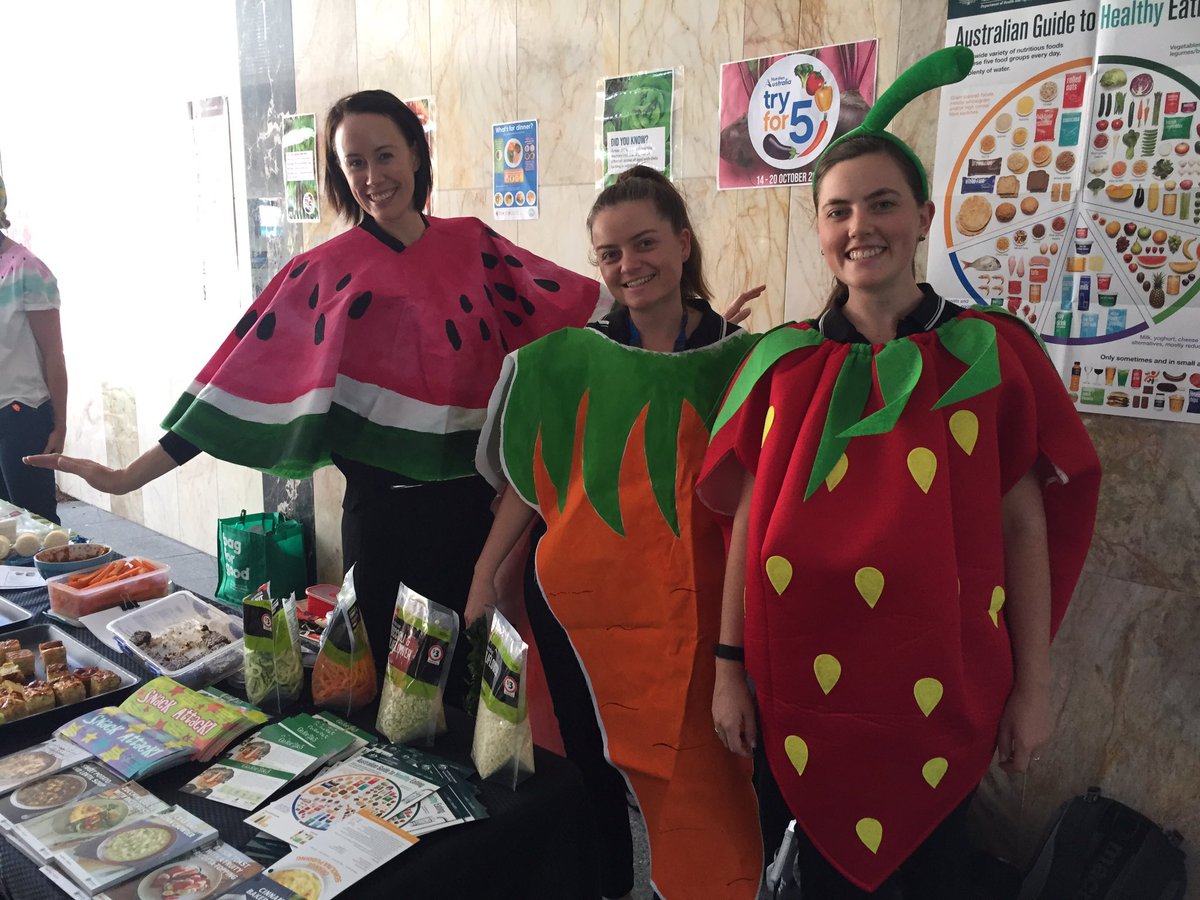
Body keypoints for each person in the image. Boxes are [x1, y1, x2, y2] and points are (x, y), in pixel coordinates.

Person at [24, 90, 606, 699]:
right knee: (386, 688)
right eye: (354, 163)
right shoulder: (321, 273)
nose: (373, 177)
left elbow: (575, 310)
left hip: (476, 520)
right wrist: (129, 477)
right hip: (381, 523)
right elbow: (242, 380)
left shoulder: (478, 247)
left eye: (385, 155)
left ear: (416, 151)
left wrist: (700, 330)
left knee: (471, 692)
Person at [698, 48, 1102, 898]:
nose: (859, 226)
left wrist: (1034, 687)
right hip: (798, 698)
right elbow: (747, 528)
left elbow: (1024, 525)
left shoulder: (986, 356)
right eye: (838, 210)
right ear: (818, 229)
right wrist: (728, 668)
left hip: (940, 701)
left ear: (922, 216)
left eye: (882, 204)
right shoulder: (783, 367)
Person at [468, 166, 762, 899]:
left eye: (645, 243)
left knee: (703, 771)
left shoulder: (743, 357)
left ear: (684, 242)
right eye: (609, 253)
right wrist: (482, 579)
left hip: (698, 618)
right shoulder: (577, 360)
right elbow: (532, 485)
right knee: (591, 764)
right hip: (584, 616)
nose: (629, 265)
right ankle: (605, 886)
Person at [0, 176, 67, 525]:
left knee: (35, 524)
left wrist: (60, 424)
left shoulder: (27, 270)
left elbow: (53, 355)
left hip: (23, 414)